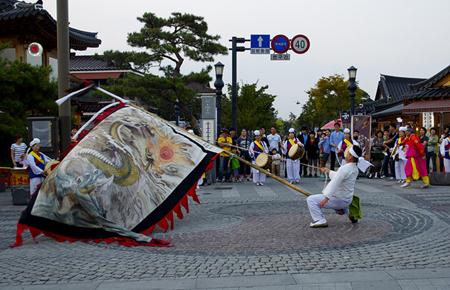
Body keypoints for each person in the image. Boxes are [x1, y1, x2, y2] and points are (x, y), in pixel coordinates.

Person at [307, 145, 371, 228]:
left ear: (351, 157)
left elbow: (335, 183)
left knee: (311, 199)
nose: (346, 154)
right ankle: (349, 213)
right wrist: (328, 171)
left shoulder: (344, 168)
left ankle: (320, 220)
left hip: (339, 200)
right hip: (348, 200)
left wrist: (326, 198)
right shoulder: (354, 168)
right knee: (340, 199)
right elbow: (339, 177)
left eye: (347, 153)